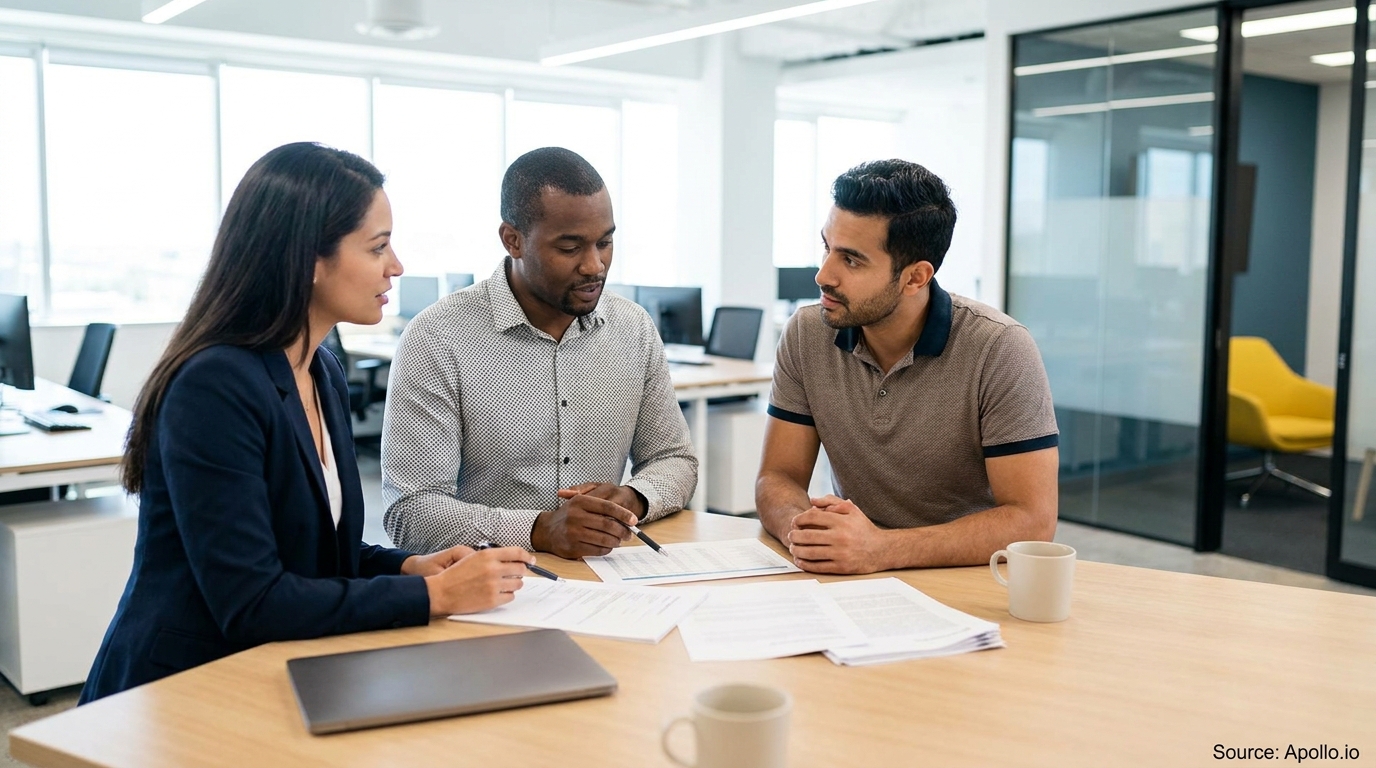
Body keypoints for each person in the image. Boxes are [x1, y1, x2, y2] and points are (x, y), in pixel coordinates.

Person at [80, 143, 533, 704]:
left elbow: (316, 552)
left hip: (281, 669)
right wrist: (435, 597)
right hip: (187, 687)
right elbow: (253, 600)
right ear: (309, 260)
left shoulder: (320, 369)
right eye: (378, 246)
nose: (396, 266)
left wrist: (411, 567)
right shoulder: (214, 387)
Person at [382, 147, 696, 560]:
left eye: (605, 243)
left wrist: (632, 498)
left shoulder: (632, 328)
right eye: (570, 248)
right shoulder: (438, 337)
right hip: (494, 587)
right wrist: (539, 529)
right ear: (513, 240)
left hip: (611, 579)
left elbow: (674, 459)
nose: (595, 265)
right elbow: (410, 511)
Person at [756, 159, 1059, 575]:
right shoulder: (808, 332)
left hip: (967, 577)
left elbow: (1033, 520)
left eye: (852, 260)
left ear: (916, 277)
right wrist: (805, 532)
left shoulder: (1000, 348)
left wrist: (881, 549)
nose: (823, 275)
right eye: (827, 247)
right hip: (851, 572)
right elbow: (777, 477)